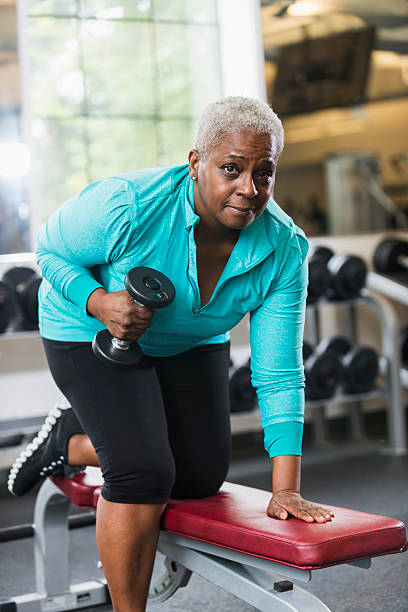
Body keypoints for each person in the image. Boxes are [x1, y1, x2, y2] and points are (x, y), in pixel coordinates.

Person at [8, 96, 334, 612]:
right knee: (141, 472)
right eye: (231, 168)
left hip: (191, 341)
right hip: (89, 330)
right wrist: (99, 302)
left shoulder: (284, 249)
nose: (250, 190)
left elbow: (278, 372)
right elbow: (49, 250)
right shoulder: (127, 203)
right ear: (195, 162)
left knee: (199, 476)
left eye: (264, 173)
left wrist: (286, 489)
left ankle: (69, 439)